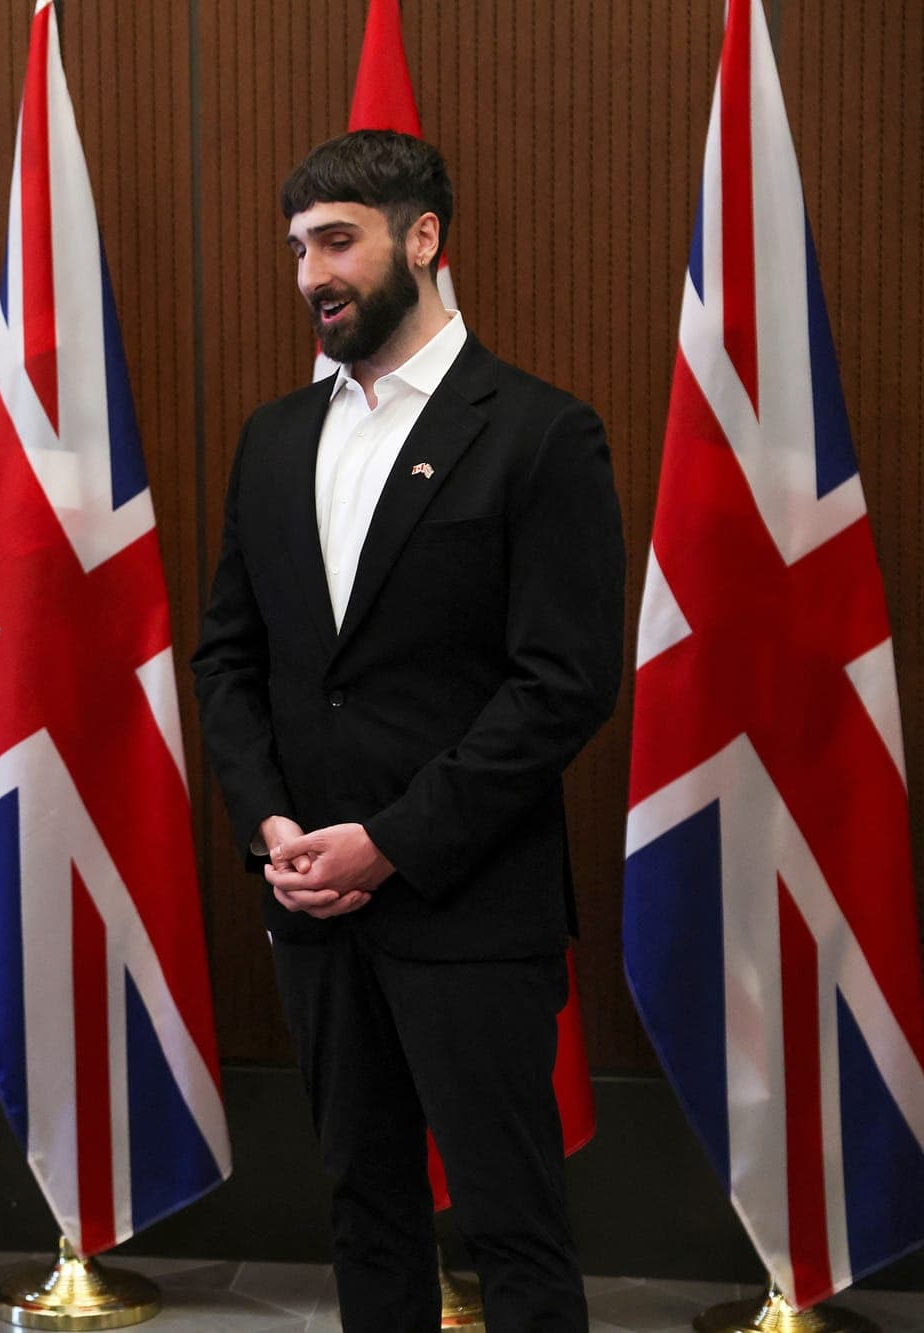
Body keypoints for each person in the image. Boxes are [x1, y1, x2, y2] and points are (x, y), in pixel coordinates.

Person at [192, 131, 624, 1332]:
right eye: (295, 249)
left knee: (511, 1224)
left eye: (335, 242)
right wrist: (269, 826)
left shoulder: (539, 431)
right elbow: (227, 656)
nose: (309, 275)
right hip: (312, 906)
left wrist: (387, 842)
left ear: (421, 239)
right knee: (362, 1208)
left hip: (468, 903)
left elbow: (562, 683)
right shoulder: (273, 436)